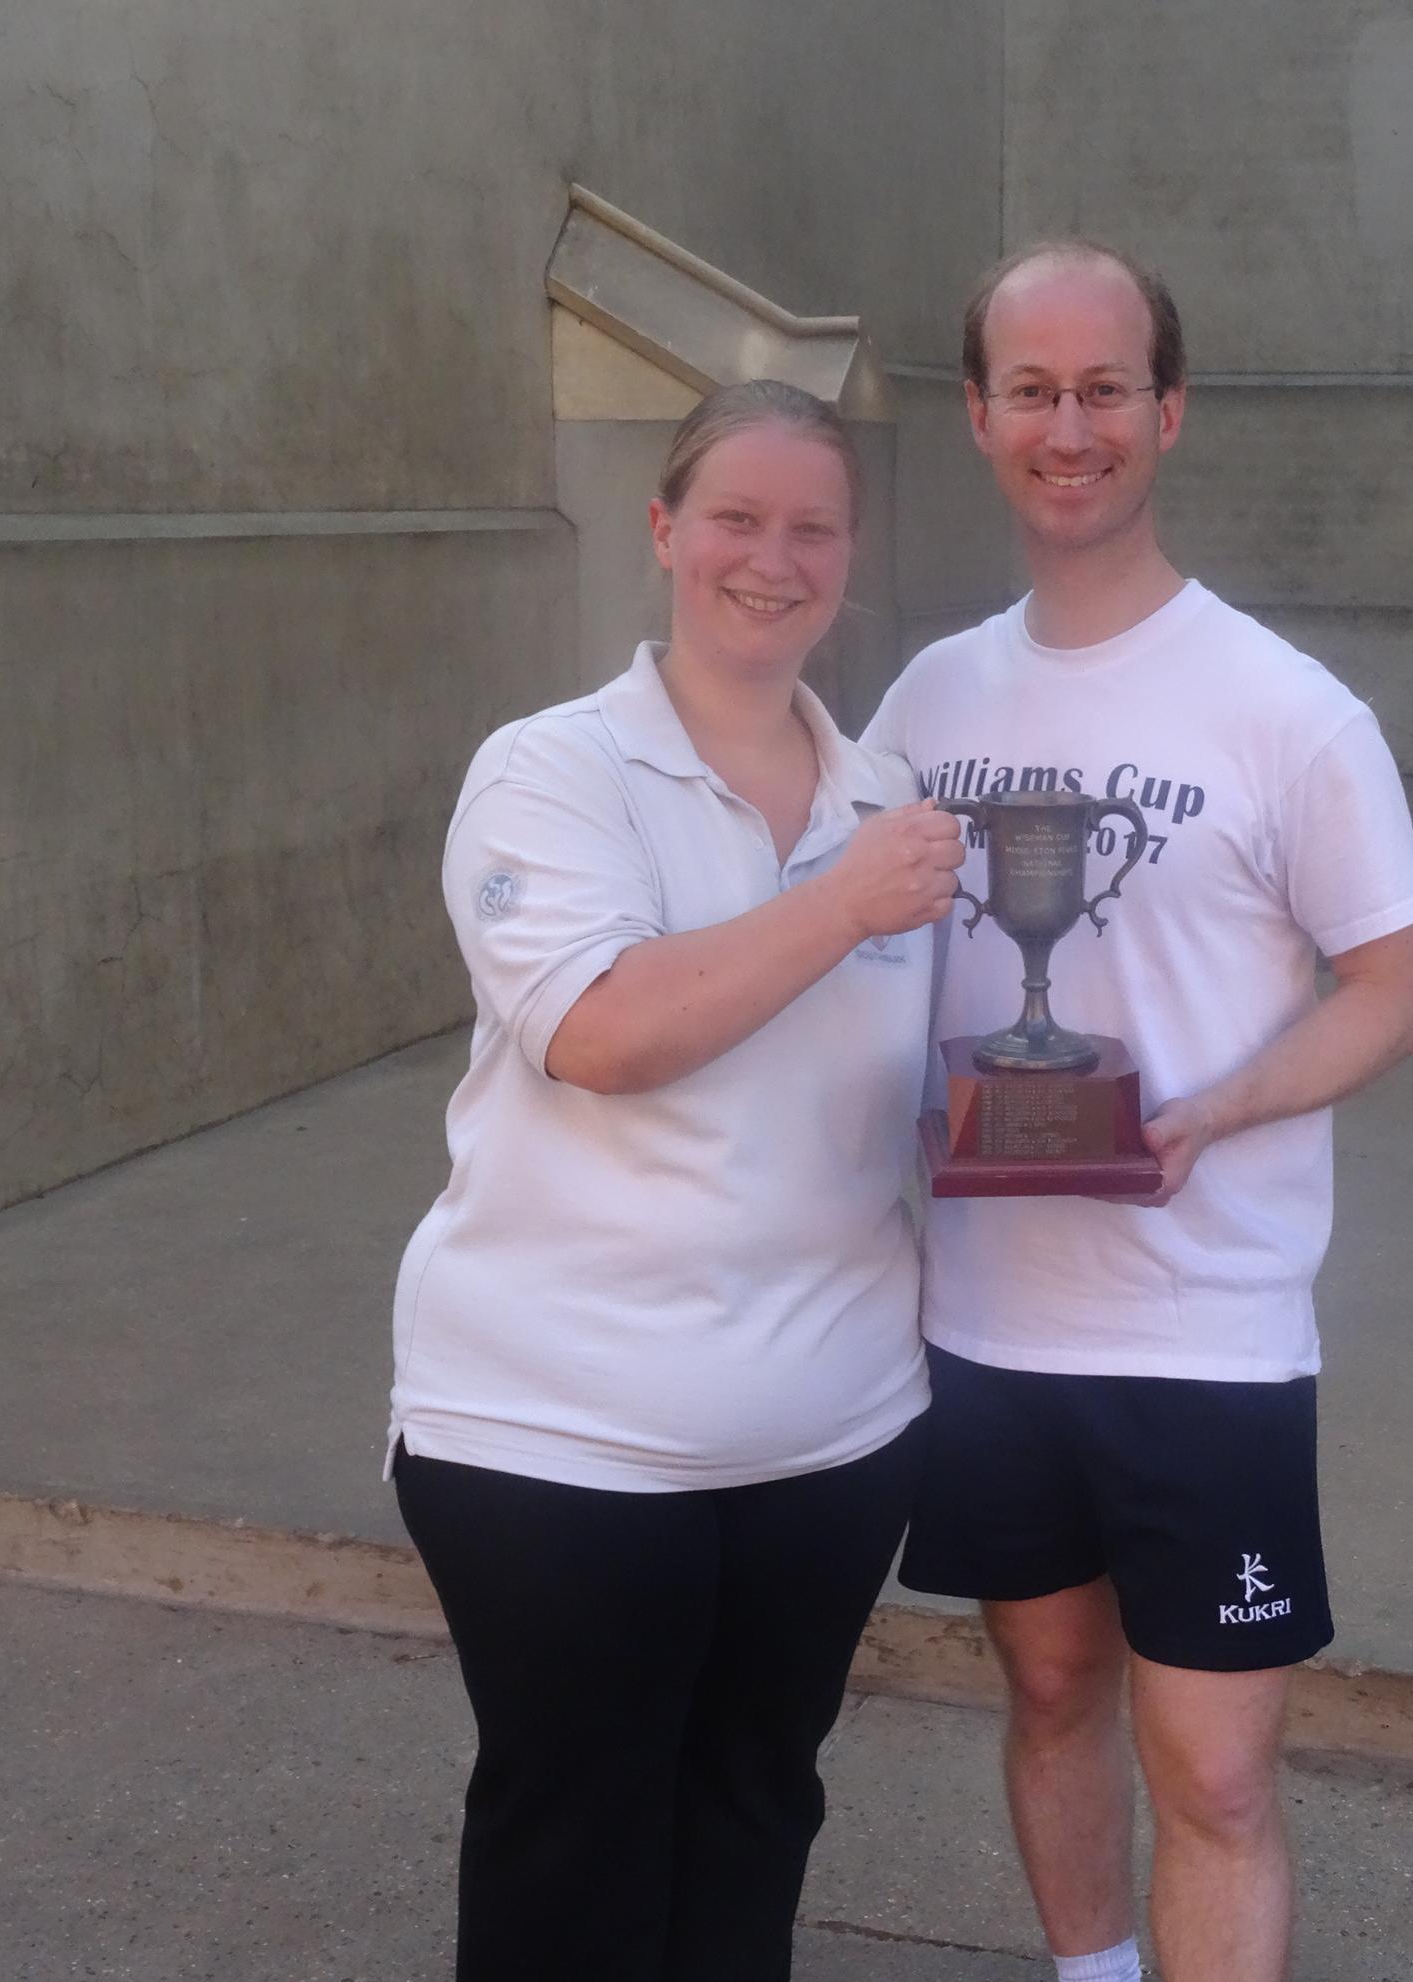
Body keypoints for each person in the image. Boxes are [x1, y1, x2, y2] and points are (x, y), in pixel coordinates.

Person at [861, 244, 1413, 1982]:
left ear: (1168, 411)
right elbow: (861, 953)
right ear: (976, 418)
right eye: (1030, 390)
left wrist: (1206, 1111)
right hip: (986, 1323)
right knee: (1047, 1691)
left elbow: (1400, 991)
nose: (1070, 426)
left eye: (1104, 387)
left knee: (1213, 1766)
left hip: (1206, 1333)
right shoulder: (927, 701)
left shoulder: (1288, 711)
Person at [387, 378, 967, 1982]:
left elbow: (910, 1093)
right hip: (560, 1439)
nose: (770, 559)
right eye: (734, 517)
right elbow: (603, 1028)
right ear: (662, 531)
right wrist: (845, 903)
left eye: (812, 528)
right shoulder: (550, 772)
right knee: (575, 1851)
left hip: (831, 1432)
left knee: (751, 1824)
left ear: (850, 554)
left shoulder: (889, 804)